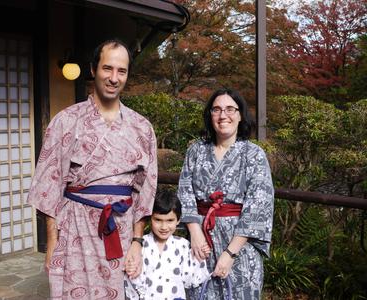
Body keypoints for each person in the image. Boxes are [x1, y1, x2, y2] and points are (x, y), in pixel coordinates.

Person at [27, 39, 157, 300]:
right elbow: (49, 184)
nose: (113, 78)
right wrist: (52, 243)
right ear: (93, 69)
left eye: (121, 71)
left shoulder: (141, 127)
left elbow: (146, 191)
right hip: (74, 228)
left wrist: (137, 242)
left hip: (120, 229)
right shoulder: (66, 121)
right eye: (107, 68)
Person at [178, 88, 274, 299]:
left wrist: (230, 253)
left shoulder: (254, 154)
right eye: (217, 109)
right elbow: (185, 192)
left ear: (240, 115)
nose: (223, 115)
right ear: (210, 115)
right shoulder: (196, 150)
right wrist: (195, 233)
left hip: (240, 247)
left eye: (230, 109)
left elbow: (258, 207)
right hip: (200, 244)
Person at [124, 189, 210, 300]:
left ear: (178, 220)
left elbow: (191, 279)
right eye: (158, 220)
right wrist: (131, 271)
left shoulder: (183, 245)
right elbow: (133, 284)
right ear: (151, 218)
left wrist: (200, 257)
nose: (164, 227)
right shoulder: (141, 245)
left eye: (170, 220)